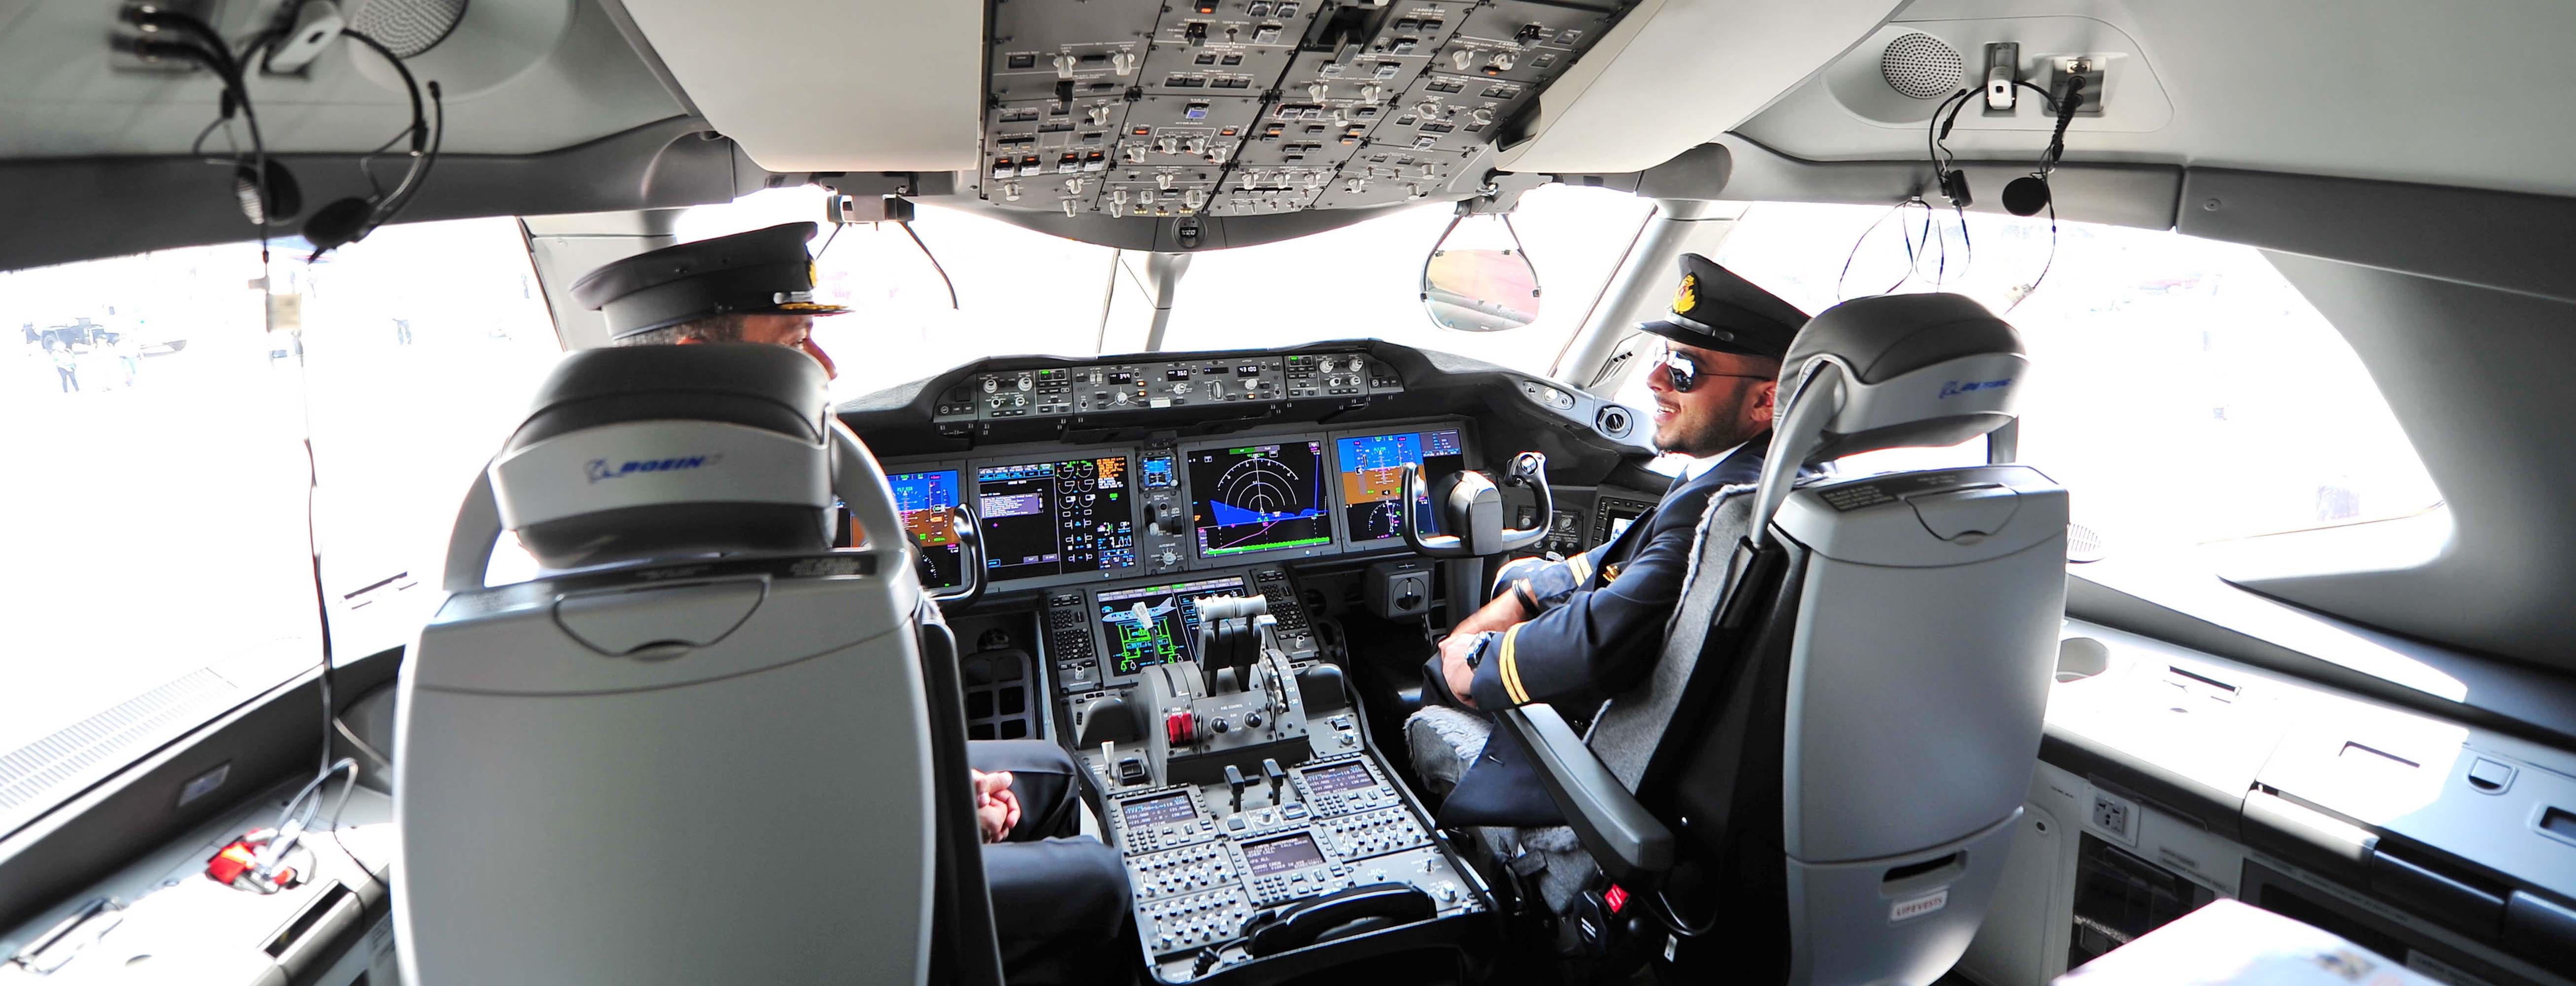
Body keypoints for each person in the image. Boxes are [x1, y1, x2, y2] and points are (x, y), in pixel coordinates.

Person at [574, 221, 1132, 985]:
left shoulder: (650, 505)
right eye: (799, 340)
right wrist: (933, 820)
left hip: (788, 828)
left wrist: (936, 785)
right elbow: (747, 805)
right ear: (701, 364)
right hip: (776, 903)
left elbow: (793, 744)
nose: (828, 365)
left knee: (1049, 772)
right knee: (1101, 883)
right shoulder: (700, 552)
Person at [1411, 253, 1810, 823]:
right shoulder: (1765, 474)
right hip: (1718, 735)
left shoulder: (1721, 511)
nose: (1653, 379)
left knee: (1436, 683)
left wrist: (1475, 662)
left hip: (1619, 764)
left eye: (1685, 370)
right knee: (1518, 575)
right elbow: (1625, 555)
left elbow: (1601, 644)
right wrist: (1524, 594)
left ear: (1765, 399)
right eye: (1662, 357)